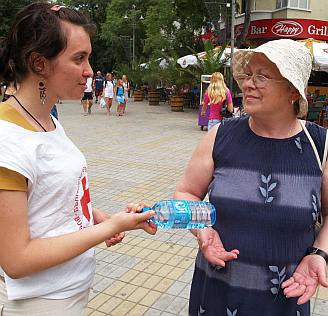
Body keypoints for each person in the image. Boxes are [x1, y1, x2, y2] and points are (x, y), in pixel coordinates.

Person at [0, 3, 156, 315]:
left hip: (68, 292)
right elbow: (16, 260)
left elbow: (52, 198)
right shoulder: (8, 139)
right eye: (78, 58)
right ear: (39, 63)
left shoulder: (47, 120)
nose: (89, 70)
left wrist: (98, 217)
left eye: (88, 57)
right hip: (39, 303)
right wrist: (105, 229)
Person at [174, 39, 328, 316]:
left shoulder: (320, 146)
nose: (247, 83)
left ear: (293, 91)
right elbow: (186, 192)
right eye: (248, 75)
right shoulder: (220, 137)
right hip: (217, 292)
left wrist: (319, 255)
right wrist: (202, 230)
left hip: (286, 298)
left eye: (263, 76)